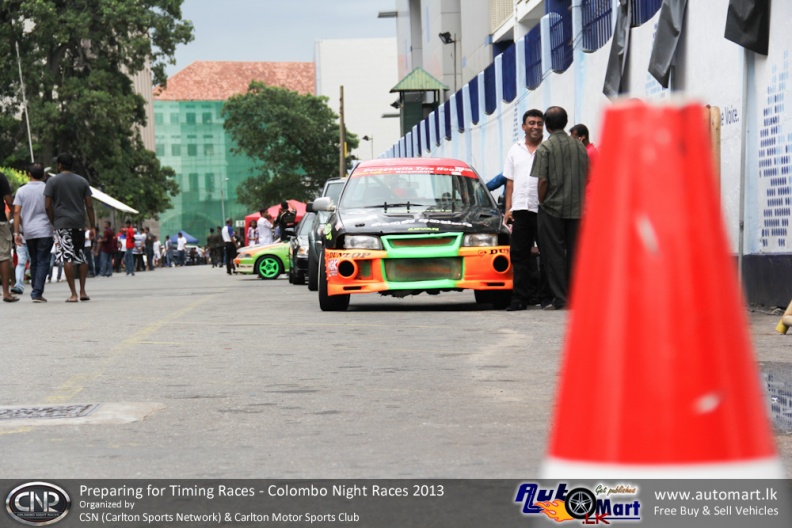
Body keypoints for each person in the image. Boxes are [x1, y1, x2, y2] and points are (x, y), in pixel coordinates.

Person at [531, 107, 588, 310]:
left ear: (546, 124)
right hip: (577, 208)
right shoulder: (579, 146)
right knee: (576, 253)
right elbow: (587, 174)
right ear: (565, 122)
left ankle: (561, 298)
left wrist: (542, 201)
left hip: (552, 208)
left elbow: (543, 180)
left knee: (553, 254)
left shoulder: (545, 148)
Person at [503, 109, 552, 311]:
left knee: (548, 255)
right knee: (519, 255)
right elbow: (510, 183)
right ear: (524, 126)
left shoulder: (548, 149)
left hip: (544, 210)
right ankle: (520, 298)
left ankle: (546, 297)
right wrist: (508, 209)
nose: (536, 127)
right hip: (520, 210)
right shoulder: (515, 150)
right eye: (531, 123)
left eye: (539, 123)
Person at [44, 153, 96, 302]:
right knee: (81, 256)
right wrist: (92, 227)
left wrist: (54, 222)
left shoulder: (52, 181)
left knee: (67, 256)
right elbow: (89, 205)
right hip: (79, 224)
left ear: (59, 165)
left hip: (62, 224)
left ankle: (73, 294)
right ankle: (83, 291)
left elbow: (47, 206)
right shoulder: (82, 181)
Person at [13, 162, 54, 302]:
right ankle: (37, 292)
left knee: (34, 260)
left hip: (29, 231)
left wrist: (16, 233)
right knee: (43, 261)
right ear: (43, 174)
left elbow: (16, 211)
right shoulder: (48, 189)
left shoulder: (21, 191)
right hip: (45, 229)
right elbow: (51, 208)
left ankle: (36, 290)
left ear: (28, 174)